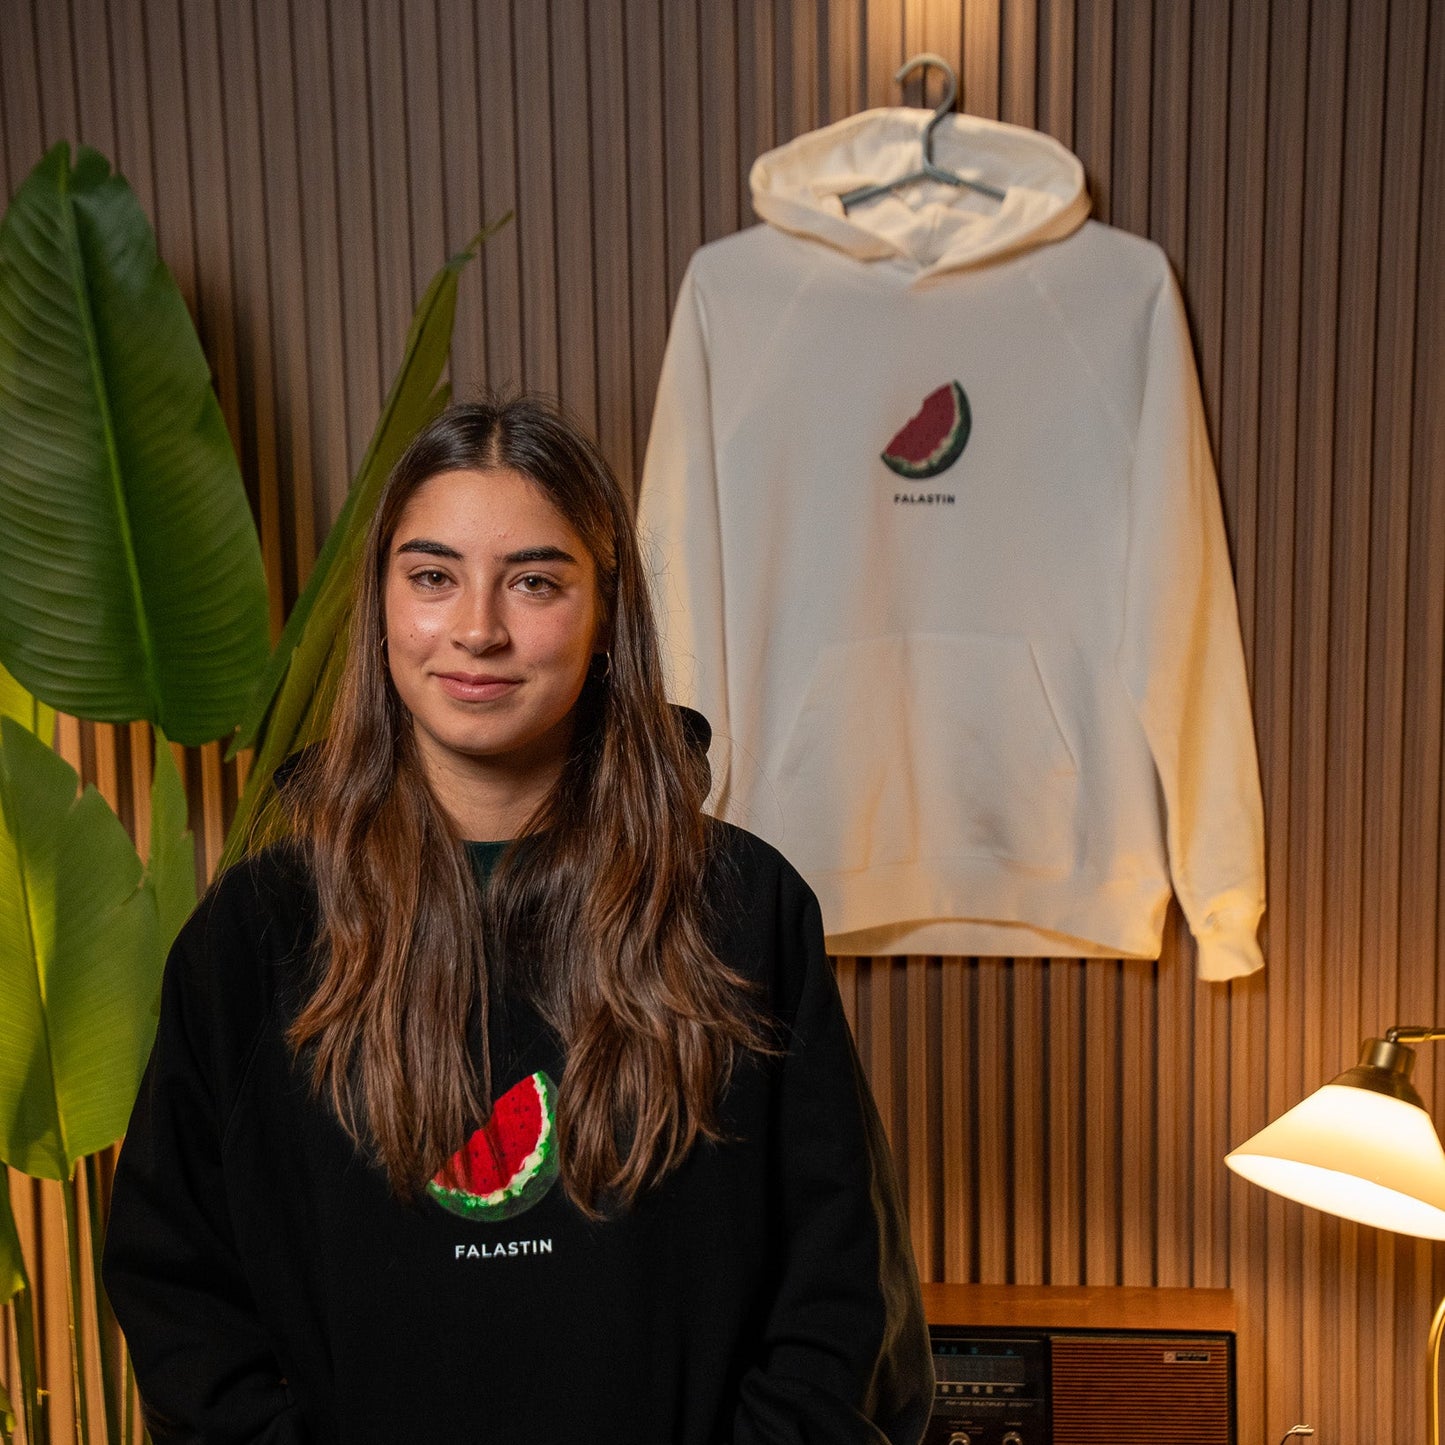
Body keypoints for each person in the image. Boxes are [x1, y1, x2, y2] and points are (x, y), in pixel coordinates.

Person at [103, 396, 934, 1444]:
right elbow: (179, 1291)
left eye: (534, 579)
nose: (478, 627)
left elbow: (836, 1286)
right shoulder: (255, 930)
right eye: (433, 575)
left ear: (604, 615)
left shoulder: (742, 905)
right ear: (383, 606)